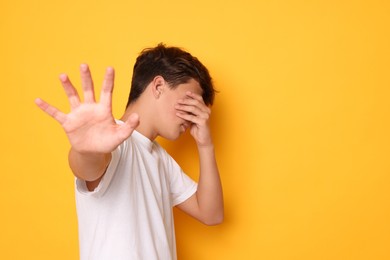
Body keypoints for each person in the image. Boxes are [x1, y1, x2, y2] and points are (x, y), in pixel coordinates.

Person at [35, 43, 224, 260]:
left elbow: (212, 214)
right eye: (191, 103)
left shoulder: (162, 159)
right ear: (159, 86)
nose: (193, 116)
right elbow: (87, 169)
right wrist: (86, 150)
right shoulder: (115, 141)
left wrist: (205, 145)